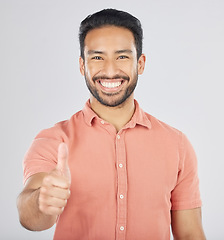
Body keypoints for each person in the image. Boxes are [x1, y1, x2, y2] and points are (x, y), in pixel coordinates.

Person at [17, 8, 206, 240]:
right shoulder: (54, 140)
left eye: (122, 56)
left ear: (141, 63)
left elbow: (190, 234)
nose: (109, 70)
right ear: (81, 66)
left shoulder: (177, 144)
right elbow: (29, 216)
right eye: (97, 57)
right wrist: (41, 201)